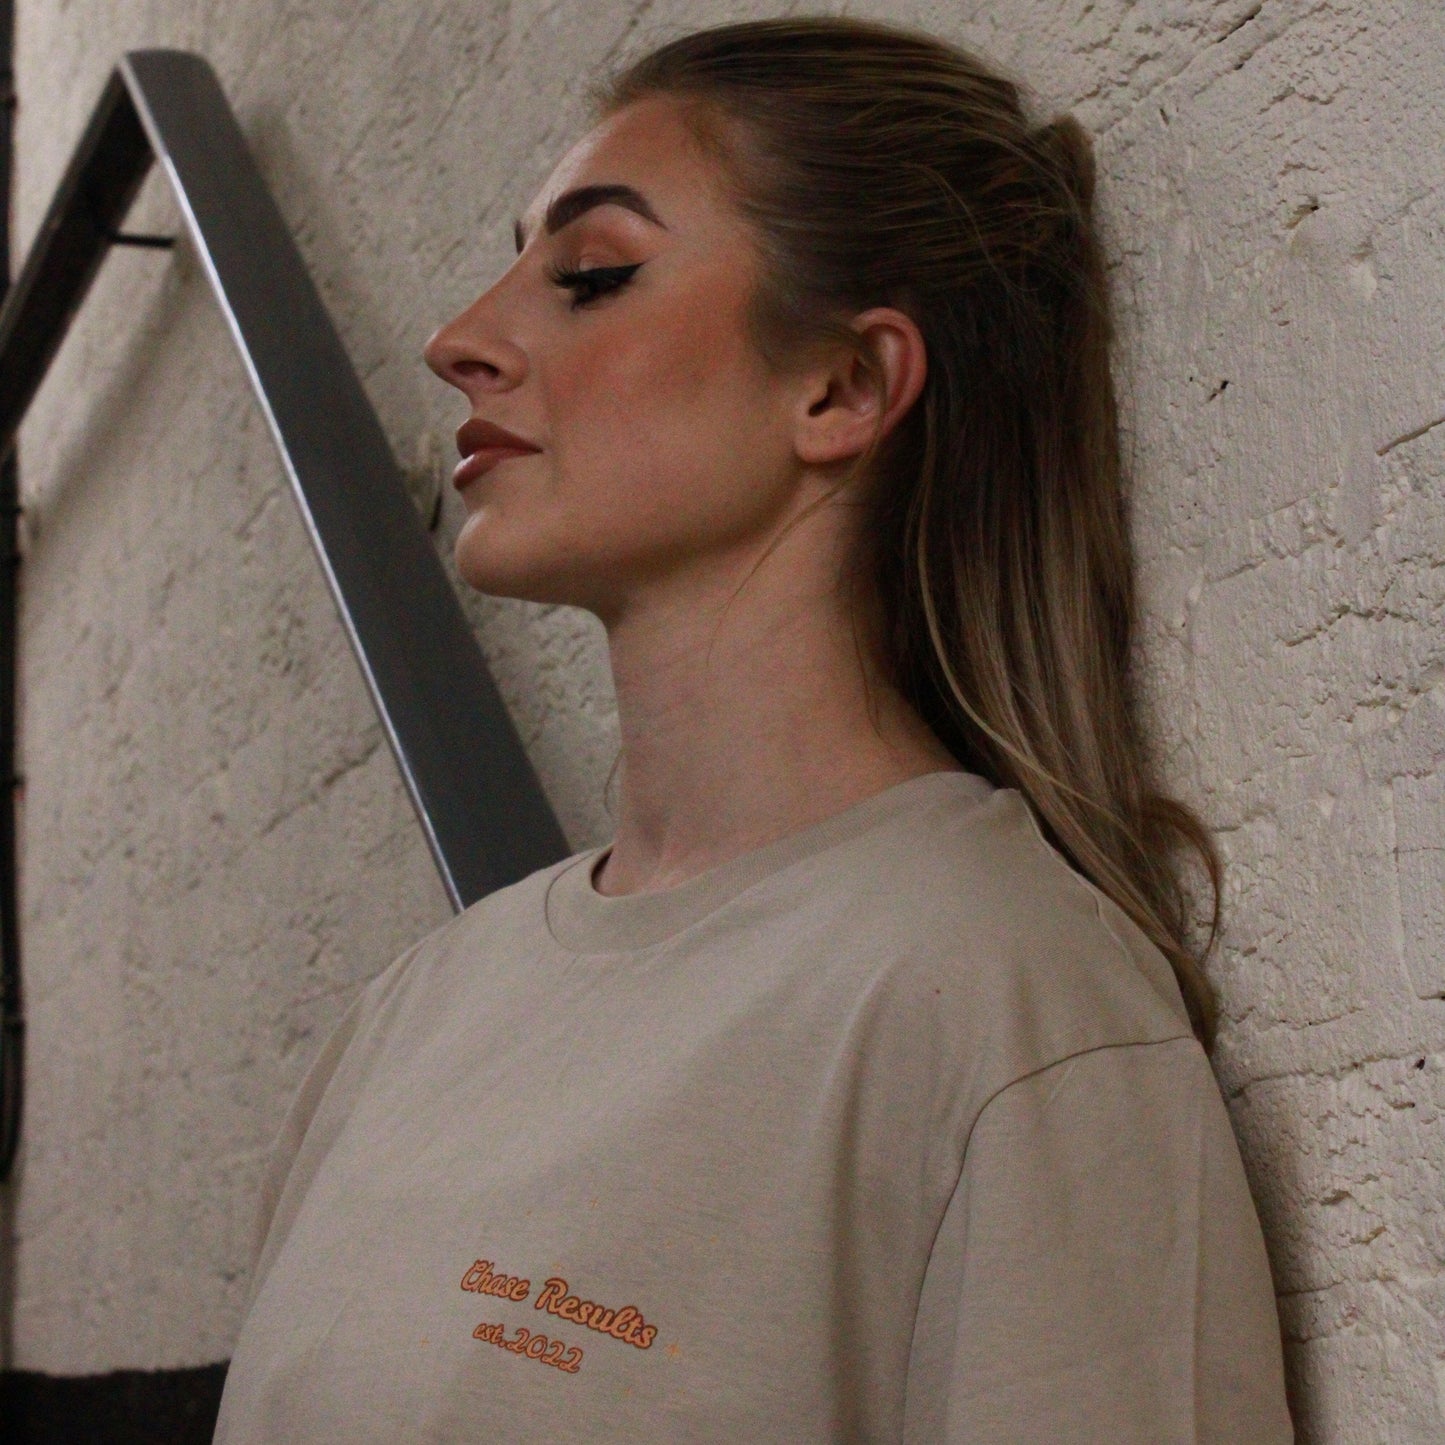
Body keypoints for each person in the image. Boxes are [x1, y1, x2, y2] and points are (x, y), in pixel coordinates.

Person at [215, 17, 1292, 1442]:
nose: (459, 339)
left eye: (590, 276)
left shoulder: (1008, 1006)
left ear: (841, 387)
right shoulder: (417, 1012)